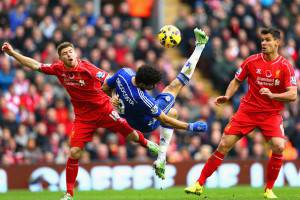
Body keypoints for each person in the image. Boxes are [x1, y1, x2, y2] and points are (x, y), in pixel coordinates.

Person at [1, 42, 160, 200]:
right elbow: (35, 65)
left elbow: (110, 81)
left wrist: (114, 97)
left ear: (75, 53)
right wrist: (13, 53)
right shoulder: (58, 69)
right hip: (83, 117)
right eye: (65, 53)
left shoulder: (88, 68)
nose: (69, 54)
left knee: (129, 134)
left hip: (103, 109)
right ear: (60, 58)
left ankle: (149, 144)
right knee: (74, 152)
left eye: (71, 51)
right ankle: (69, 194)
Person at [184, 27, 297, 199]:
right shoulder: (251, 61)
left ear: (277, 42)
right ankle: (198, 184)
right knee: (223, 145)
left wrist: (273, 95)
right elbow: (236, 80)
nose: (263, 43)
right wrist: (228, 96)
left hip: (271, 114)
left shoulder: (285, 67)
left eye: (267, 40)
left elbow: (293, 94)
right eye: (262, 40)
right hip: (248, 111)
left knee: (279, 146)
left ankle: (268, 190)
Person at [102, 28, 209, 179]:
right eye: (152, 86)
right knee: (175, 86)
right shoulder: (144, 100)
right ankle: (200, 46)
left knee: (172, 112)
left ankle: (161, 159)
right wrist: (190, 127)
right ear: (144, 85)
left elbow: (105, 87)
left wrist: (114, 98)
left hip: (129, 115)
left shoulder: (124, 73)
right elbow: (164, 120)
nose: (154, 88)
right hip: (145, 123)